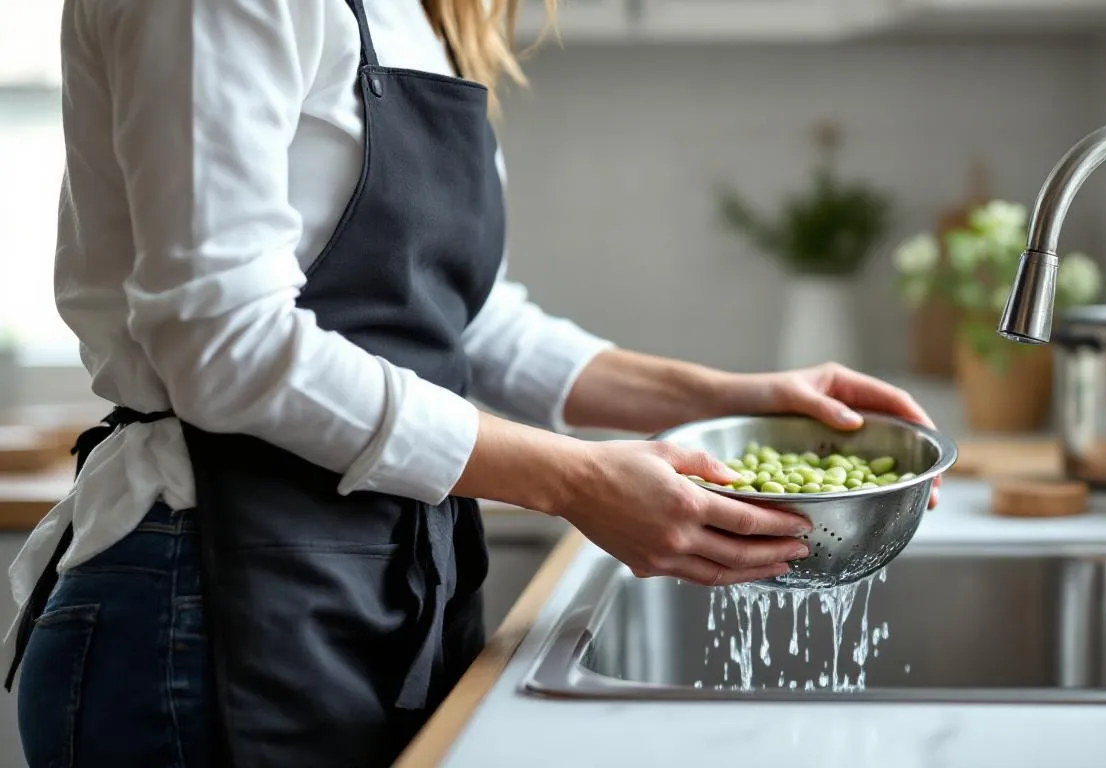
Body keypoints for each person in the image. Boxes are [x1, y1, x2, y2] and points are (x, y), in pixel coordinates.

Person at [3, 0, 940, 765]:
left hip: (381, 583)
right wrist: (575, 479)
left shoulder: (419, 19)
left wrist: (743, 399)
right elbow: (225, 344)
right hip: (201, 597)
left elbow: (474, 324)